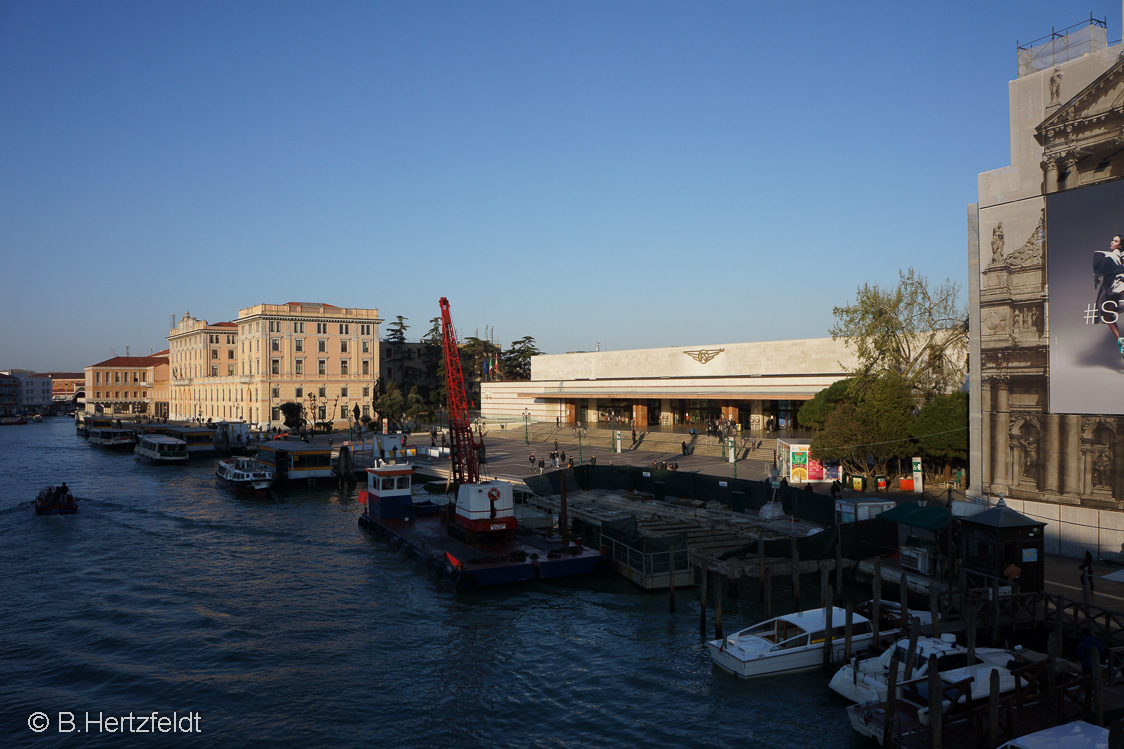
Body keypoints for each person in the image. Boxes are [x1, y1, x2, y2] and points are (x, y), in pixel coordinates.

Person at [1093, 234, 1124, 355]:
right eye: (1112, 240)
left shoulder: (1118, 254)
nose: (1112, 242)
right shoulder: (1110, 255)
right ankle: (1120, 340)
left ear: (1120, 245)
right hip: (1110, 287)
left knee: (1106, 316)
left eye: (1115, 241)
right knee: (1106, 316)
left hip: (1119, 283)